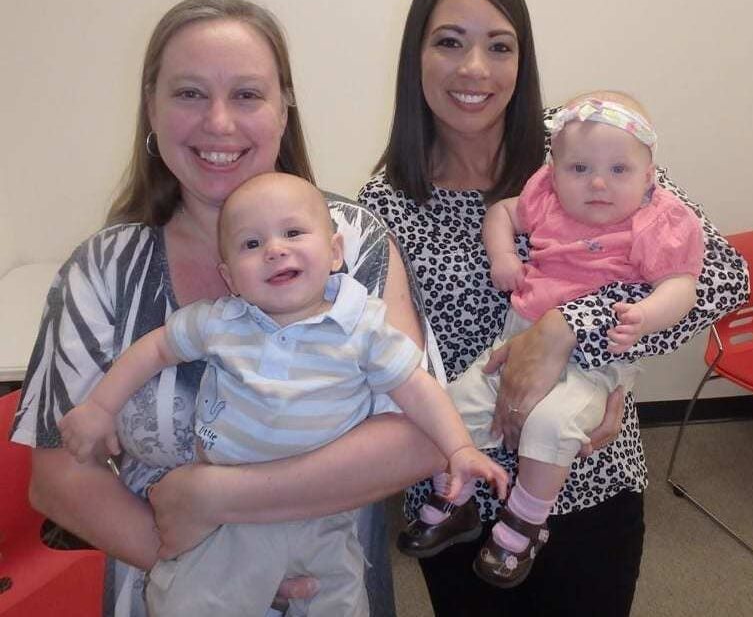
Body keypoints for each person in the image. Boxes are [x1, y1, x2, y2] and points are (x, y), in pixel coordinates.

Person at [9, 0, 454, 616]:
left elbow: (419, 437)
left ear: (283, 110)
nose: (219, 123)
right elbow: (58, 477)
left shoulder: (352, 241)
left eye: (247, 94)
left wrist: (215, 497)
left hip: (328, 588)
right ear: (151, 108)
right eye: (190, 93)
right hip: (166, 586)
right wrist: (207, 576)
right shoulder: (103, 269)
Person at [358, 0, 748, 615]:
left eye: (499, 46)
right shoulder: (385, 202)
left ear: (523, 59)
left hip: (590, 478)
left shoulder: (586, 139)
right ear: (416, 57)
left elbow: (723, 277)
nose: (475, 68)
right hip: (455, 490)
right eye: (449, 42)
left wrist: (568, 327)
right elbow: (391, 361)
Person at [58, 172, 507, 617]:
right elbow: (155, 349)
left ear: (335, 252)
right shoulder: (222, 321)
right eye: (251, 244)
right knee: (191, 604)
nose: (275, 249)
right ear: (229, 276)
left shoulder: (361, 326)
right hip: (226, 526)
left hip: (326, 512)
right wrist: (100, 406)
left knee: (340, 604)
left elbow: (416, 387)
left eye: (293, 233)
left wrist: (459, 448)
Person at [397, 90, 705, 589]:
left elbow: (685, 285)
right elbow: (501, 214)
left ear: (649, 177)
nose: (598, 182)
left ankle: (522, 525)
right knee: (452, 409)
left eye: (619, 171)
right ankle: (455, 500)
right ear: (555, 171)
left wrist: (646, 315)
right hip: (513, 342)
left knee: (551, 427)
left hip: (592, 360)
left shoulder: (656, 218)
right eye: (579, 169)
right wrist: (504, 257)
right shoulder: (546, 196)